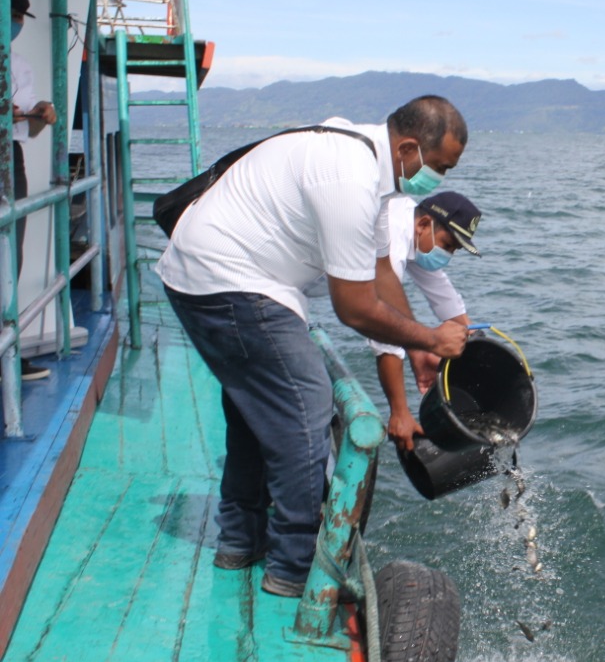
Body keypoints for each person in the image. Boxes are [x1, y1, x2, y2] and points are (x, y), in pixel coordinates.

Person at [156, 95, 471, 598]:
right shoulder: (350, 180)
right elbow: (355, 308)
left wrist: (415, 348)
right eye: (440, 166)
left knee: (254, 410)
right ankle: (296, 567)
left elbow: (381, 272)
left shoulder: (369, 167)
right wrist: (432, 337)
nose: (438, 179)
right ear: (409, 149)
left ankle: (240, 539)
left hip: (212, 272)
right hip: (229, 279)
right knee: (308, 406)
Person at [370, 191, 482, 452]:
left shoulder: (414, 224)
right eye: (448, 245)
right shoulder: (393, 234)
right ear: (423, 224)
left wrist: (476, 349)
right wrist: (399, 411)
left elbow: (442, 293)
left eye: (454, 250)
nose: (448, 255)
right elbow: (384, 323)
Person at [8, 0, 57, 381]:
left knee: (10, 256)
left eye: (20, 18)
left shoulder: (19, 64)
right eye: (12, 16)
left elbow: (27, 123)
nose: (17, 24)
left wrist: (41, 111)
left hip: (8, 158)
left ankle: (6, 352)